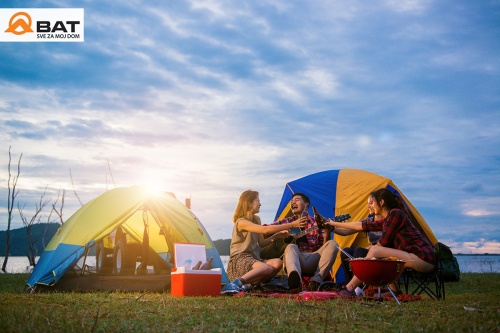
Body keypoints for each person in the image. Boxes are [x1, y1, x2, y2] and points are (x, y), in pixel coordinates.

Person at [326, 188, 436, 297]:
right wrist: (334, 224)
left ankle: (350, 288)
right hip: (413, 257)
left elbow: (382, 244)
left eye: (372, 202)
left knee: (376, 250)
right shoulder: (388, 219)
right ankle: (396, 292)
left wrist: (366, 256)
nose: (370, 206)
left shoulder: (396, 214)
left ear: (381, 202)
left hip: (423, 258)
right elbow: (361, 225)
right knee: (382, 257)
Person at [222, 190, 306, 294]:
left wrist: (277, 236)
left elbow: (261, 243)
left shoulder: (256, 219)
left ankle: (248, 286)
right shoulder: (241, 222)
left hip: (253, 259)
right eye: (258, 201)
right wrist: (292, 224)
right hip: (239, 260)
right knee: (266, 268)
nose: (260, 204)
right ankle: (235, 284)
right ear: (249, 203)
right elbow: (265, 230)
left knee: (277, 263)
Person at [272, 193, 339, 292]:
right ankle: (295, 282)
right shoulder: (287, 222)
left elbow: (325, 247)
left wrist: (327, 231)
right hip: (295, 259)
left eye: (297, 200)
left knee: (333, 244)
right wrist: (281, 233)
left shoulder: (316, 223)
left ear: (306, 204)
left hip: (313, 259)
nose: (293, 202)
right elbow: (266, 229)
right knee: (290, 246)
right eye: (291, 201)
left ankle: (316, 282)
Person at [339, 196, 383, 281]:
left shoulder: (388, 220)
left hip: (381, 254)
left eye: (371, 203)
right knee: (346, 251)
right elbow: (346, 232)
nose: (368, 206)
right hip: (370, 253)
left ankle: (354, 287)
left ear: (380, 203)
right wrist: (331, 227)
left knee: (359, 250)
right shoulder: (369, 220)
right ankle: (348, 283)